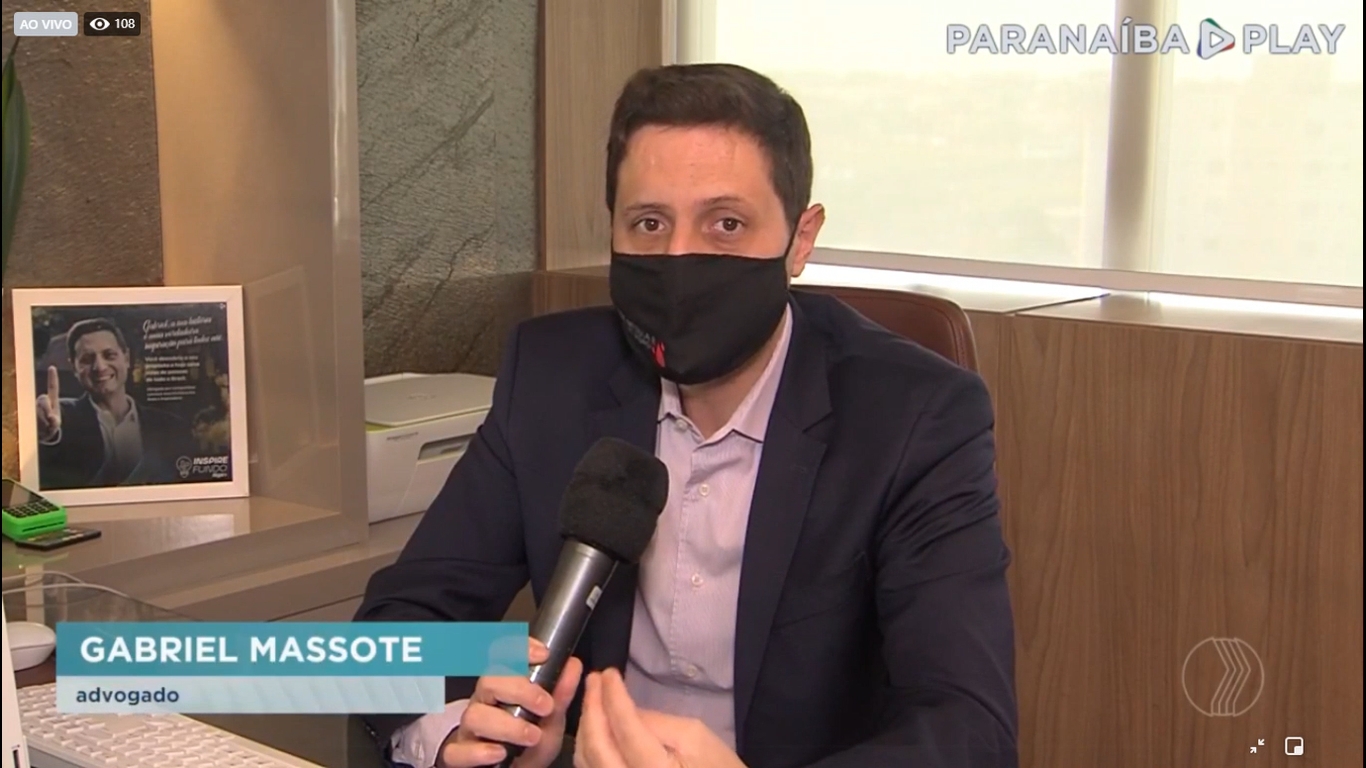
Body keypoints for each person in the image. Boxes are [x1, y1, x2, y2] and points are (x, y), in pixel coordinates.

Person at [356, 63, 1018, 768]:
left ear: (800, 239)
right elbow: (384, 638)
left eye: (726, 224)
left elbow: (970, 729)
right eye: (649, 223)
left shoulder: (914, 415)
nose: (679, 260)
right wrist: (462, 729)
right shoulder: (550, 378)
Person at [35, 317, 194, 489]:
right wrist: (46, 436)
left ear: (126, 358)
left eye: (109, 355)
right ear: (74, 367)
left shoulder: (171, 426)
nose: (100, 367)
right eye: (87, 359)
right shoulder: (62, 418)